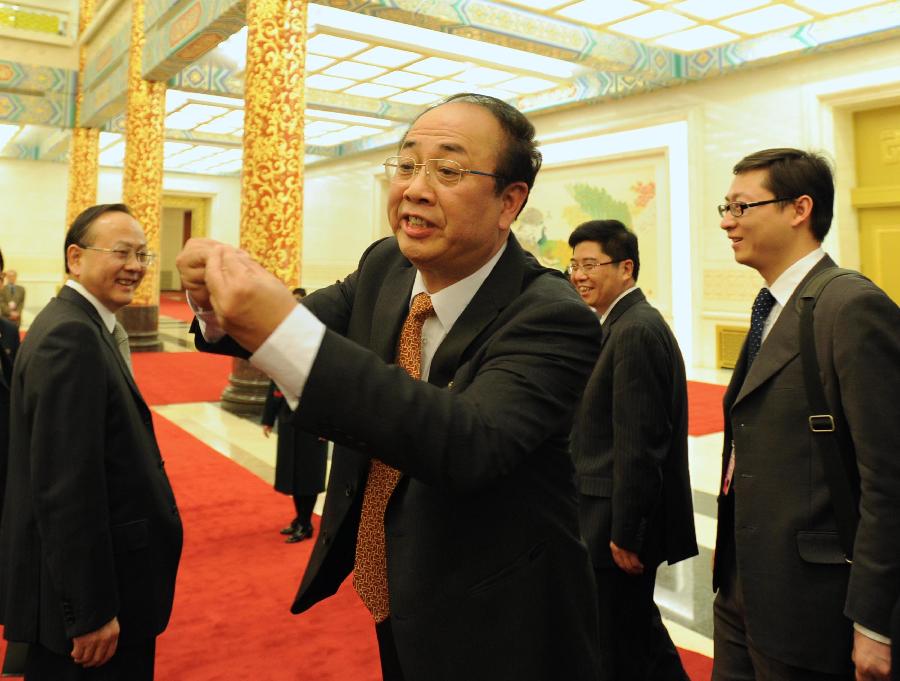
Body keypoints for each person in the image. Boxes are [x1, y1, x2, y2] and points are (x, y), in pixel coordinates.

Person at [177, 93, 603, 680]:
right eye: (405, 166)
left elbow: (468, 442)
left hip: (498, 616)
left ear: (510, 201)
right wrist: (217, 305)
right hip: (392, 585)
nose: (415, 189)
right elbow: (305, 326)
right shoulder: (386, 266)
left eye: (448, 170)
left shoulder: (551, 315)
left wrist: (277, 324)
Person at [712, 148, 900, 681]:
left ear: (799, 209)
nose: (727, 221)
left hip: (814, 606)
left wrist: (874, 621)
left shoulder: (850, 307)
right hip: (744, 585)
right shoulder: (771, 306)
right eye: (724, 207)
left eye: (742, 207)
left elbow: (888, 477)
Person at [0, 204, 183, 680]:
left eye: (143, 254)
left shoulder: (82, 324)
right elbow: (66, 489)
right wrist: (90, 610)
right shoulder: (71, 338)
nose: (136, 266)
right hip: (97, 605)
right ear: (76, 258)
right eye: (121, 252)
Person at [568, 220, 697, 681]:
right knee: (637, 633)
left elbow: (639, 443)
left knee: (618, 646)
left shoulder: (635, 330)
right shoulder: (619, 323)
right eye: (574, 265)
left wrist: (627, 532)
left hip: (614, 526)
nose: (579, 275)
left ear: (626, 268)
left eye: (590, 264)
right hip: (605, 518)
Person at [261, 287, 328, 544]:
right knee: (292, 473)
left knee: (308, 475)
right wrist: (268, 417)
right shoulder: (283, 341)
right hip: (289, 420)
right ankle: (299, 518)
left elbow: (329, 387)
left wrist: (327, 425)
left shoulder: (320, 342)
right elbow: (274, 380)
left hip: (313, 423)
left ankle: (306, 523)